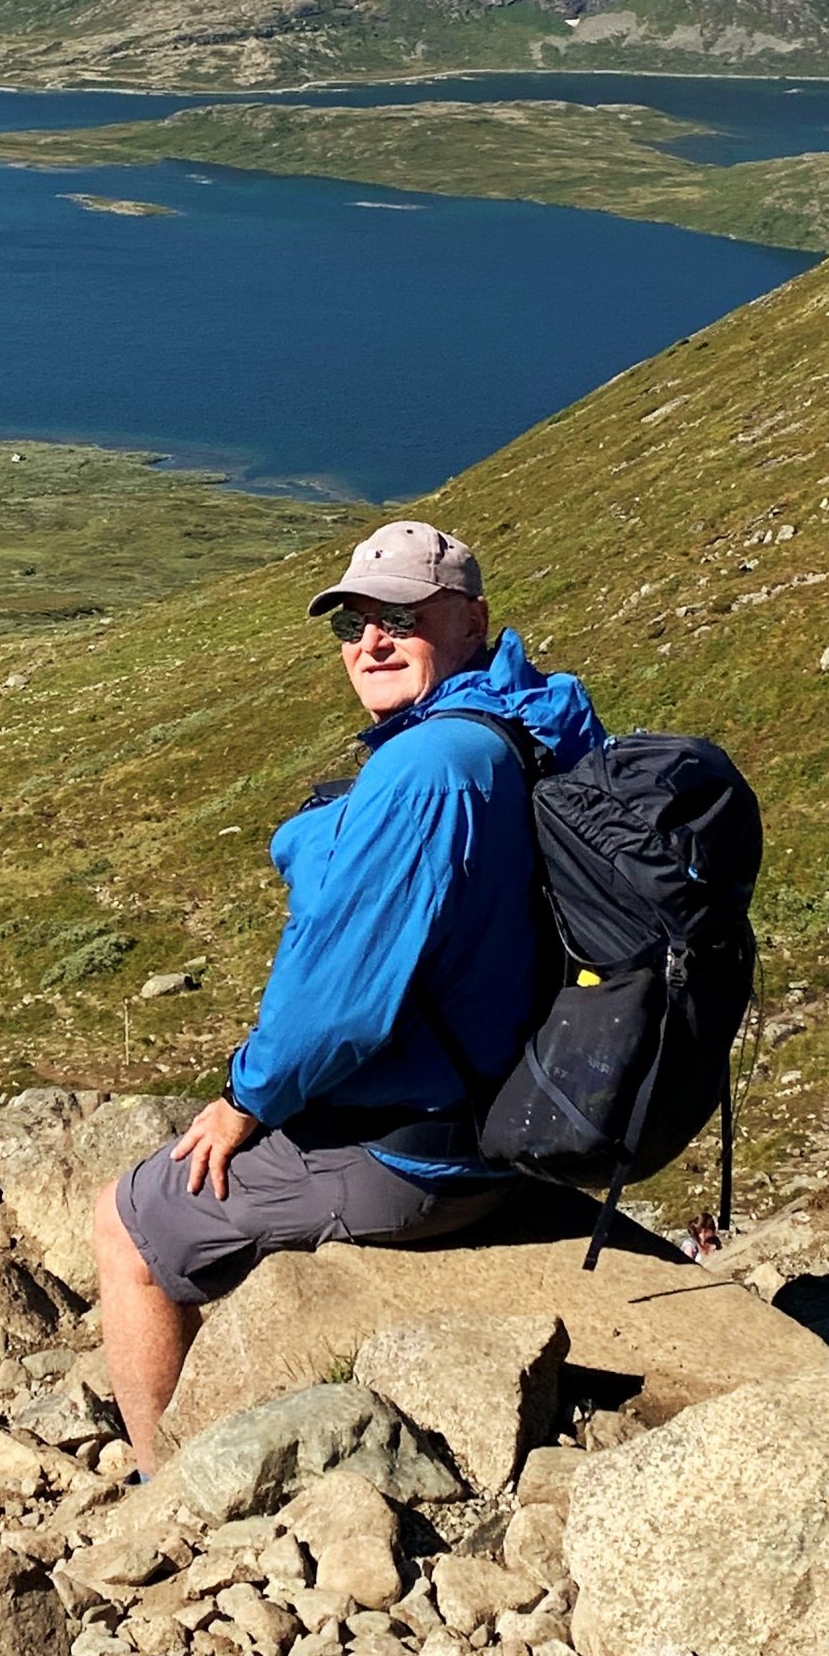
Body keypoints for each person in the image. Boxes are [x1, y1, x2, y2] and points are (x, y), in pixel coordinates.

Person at [92, 518, 604, 1476]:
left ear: (469, 620)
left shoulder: (426, 771)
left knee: (125, 1220)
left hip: (419, 1153)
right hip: (517, 1111)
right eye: (353, 621)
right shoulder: (534, 721)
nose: (370, 641)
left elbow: (337, 1010)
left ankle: (164, 1485)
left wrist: (246, 1100)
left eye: (401, 617)